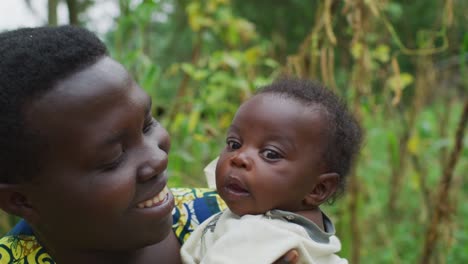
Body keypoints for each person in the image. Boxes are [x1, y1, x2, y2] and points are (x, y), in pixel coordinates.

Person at [0, 26, 297, 264]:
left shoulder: (241, 222)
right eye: (113, 157)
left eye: (147, 125)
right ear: (20, 201)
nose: (156, 158)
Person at [181, 79, 363, 264]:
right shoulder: (310, 234)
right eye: (234, 144)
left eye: (270, 154)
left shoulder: (258, 236)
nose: (239, 157)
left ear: (317, 189)